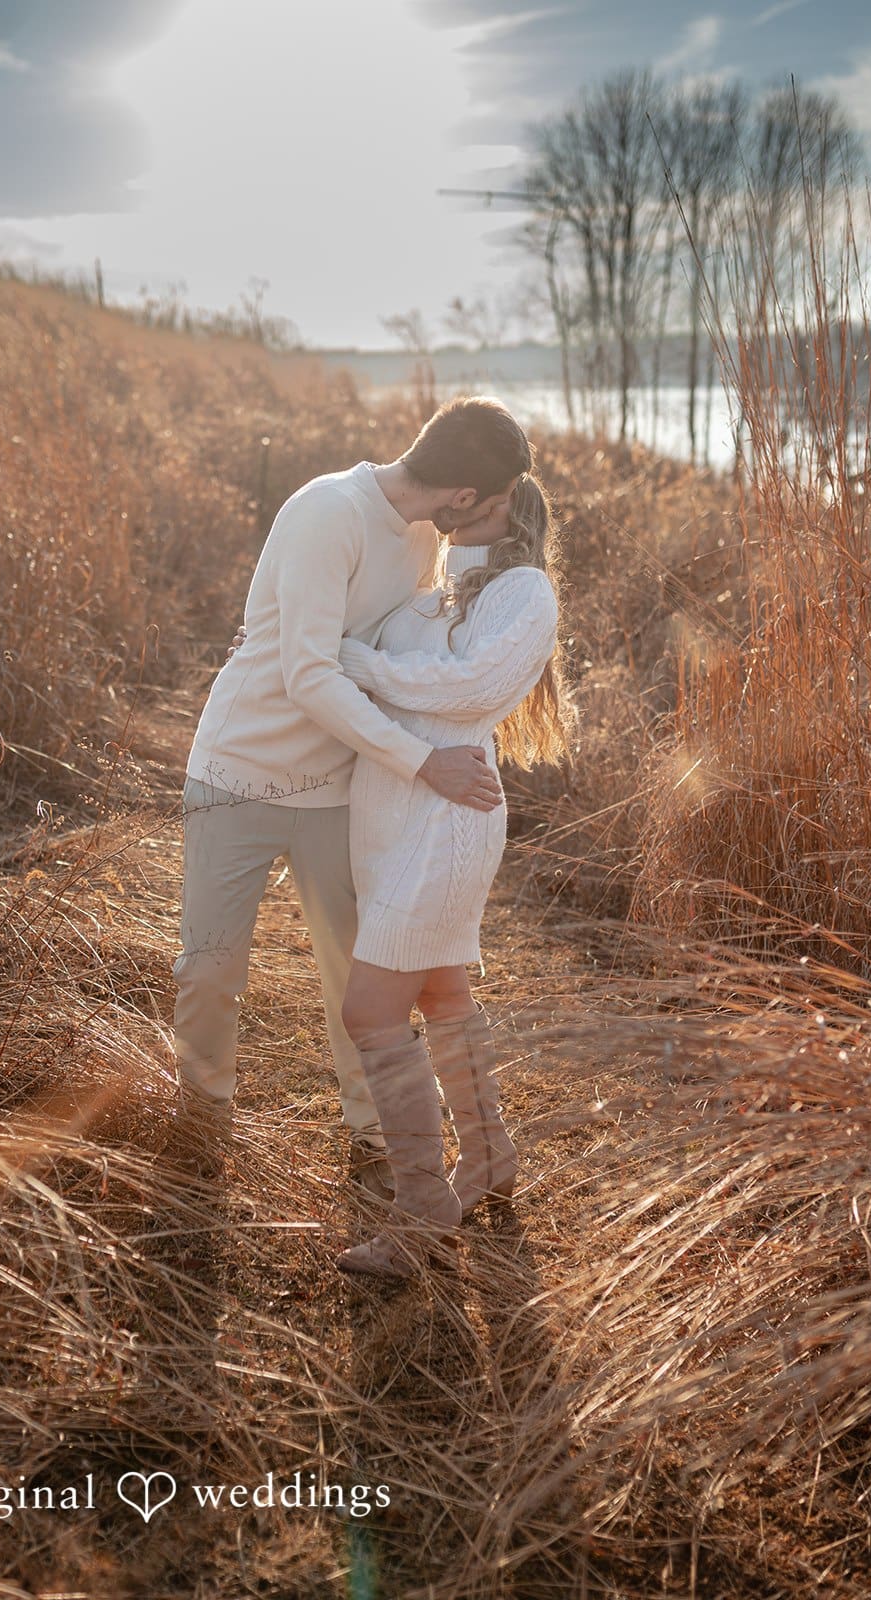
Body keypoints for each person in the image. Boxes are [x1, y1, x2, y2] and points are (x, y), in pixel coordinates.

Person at [172, 397, 532, 1194]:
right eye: (499, 500)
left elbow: (407, 644)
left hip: (339, 788)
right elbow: (306, 674)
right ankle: (201, 1131)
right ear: (463, 496)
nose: (500, 515)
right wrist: (422, 762)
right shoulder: (327, 510)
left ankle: (373, 1136)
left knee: (358, 977)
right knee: (209, 969)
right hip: (236, 773)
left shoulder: (422, 538)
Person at [332, 473, 577, 1278]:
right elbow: (368, 673)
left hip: (446, 823)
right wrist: (312, 654)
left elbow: (468, 689)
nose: (455, 506)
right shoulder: (429, 594)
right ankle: (489, 1156)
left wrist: (357, 664)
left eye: (477, 496)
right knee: (440, 994)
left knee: (370, 1009)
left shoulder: (523, 591)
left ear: (507, 506)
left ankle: (422, 1213)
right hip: (388, 818)